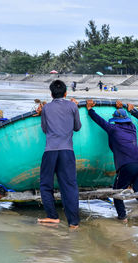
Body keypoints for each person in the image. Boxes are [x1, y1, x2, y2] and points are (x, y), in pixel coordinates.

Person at [85, 100, 138, 224]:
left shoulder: (113, 129)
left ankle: (122, 216)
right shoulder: (133, 128)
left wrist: (90, 110)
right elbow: (132, 119)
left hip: (127, 166)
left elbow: (99, 121)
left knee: (116, 191)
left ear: (116, 120)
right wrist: (129, 110)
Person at [36, 80, 81, 229]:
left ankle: (52, 216)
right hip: (67, 151)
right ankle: (73, 222)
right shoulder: (73, 106)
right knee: (69, 186)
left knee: (45, 185)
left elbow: (44, 128)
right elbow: (77, 127)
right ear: (66, 93)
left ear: (51, 94)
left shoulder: (46, 108)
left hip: (50, 151)